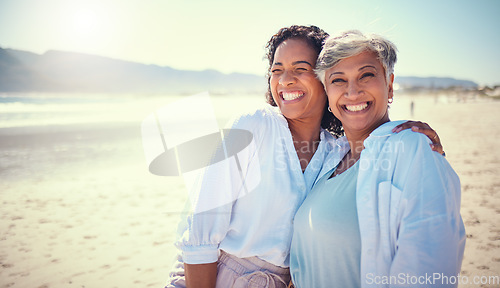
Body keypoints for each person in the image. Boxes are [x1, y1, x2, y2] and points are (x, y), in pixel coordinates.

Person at [165, 26, 444, 288]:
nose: (286, 80)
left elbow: (370, 128)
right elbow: (199, 235)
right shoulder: (253, 125)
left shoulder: (336, 151)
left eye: (301, 69)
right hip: (211, 277)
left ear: (324, 79)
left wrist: (407, 131)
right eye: (277, 70)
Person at [289, 30, 465, 288]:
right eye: (338, 80)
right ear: (327, 92)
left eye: (366, 75)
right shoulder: (327, 159)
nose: (353, 91)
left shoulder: (412, 147)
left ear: (390, 84)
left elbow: (427, 266)